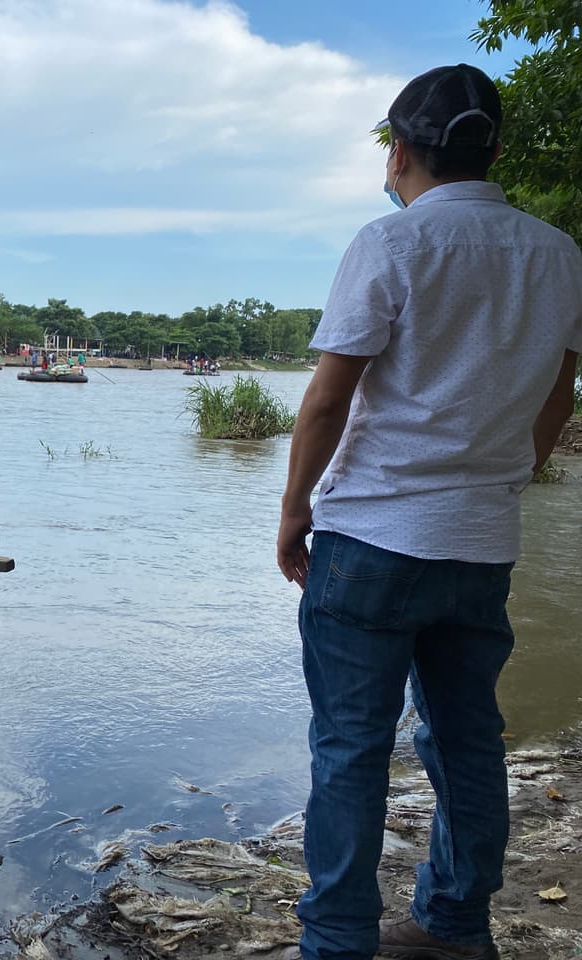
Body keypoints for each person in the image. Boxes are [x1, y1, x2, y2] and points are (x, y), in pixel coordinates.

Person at [276, 64, 582, 960]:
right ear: (493, 149)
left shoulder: (391, 243)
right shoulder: (559, 254)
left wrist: (294, 512)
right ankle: (455, 926)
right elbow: (560, 391)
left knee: (349, 751)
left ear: (400, 150)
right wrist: (506, 478)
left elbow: (329, 400)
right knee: (468, 740)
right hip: (479, 547)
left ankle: (336, 941)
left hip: (370, 538)